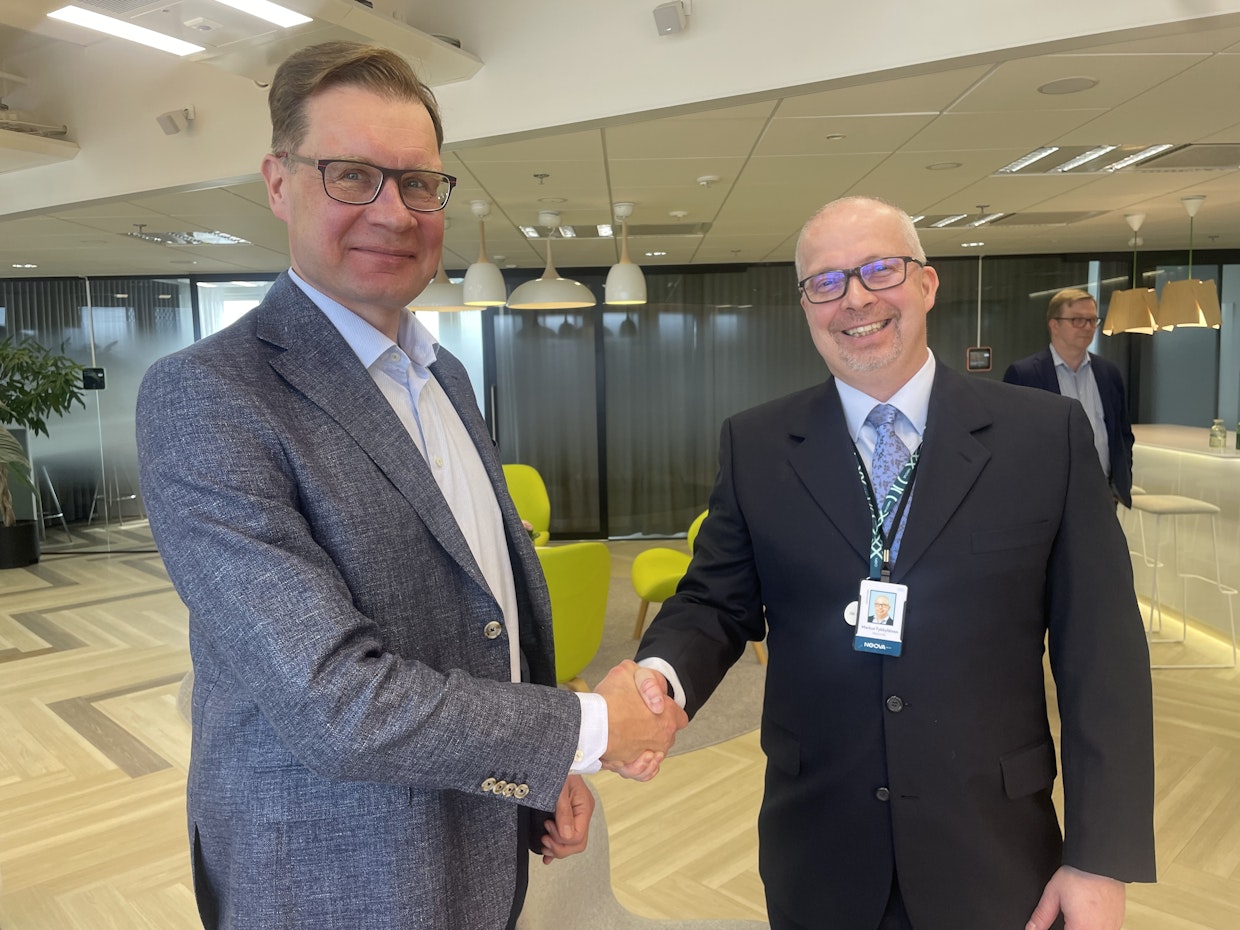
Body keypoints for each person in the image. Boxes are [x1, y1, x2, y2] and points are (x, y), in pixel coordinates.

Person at [136, 41, 683, 930]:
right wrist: (587, 730)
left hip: (478, 846)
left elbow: (484, 613)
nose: (393, 212)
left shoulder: (444, 377)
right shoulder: (209, 396)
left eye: (419, 183)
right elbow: (334, 701)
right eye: (352, 175)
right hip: (334, 879)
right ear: (278, 182)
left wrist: (540, 771)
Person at [630, 196, 1155, 930]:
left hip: (995, 851)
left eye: (880, 270)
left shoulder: (1044, 438)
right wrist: (658, 680)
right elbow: (714, 602)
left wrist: (1100, 858)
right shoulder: (758, 445)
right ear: (806, 306)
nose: (855, 299)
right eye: (827, 282)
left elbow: (1104, 658)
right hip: (820, 851)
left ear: (928, 284)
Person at [1003, 288, 1135, 508]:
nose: (1087, 327)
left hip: (1103, 494)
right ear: (1054, 325)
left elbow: (1122, 434)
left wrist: (1120, 483)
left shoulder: (1109, 373)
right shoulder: (1024, 374)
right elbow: (1012, 440)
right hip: (1047, 497)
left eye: (1092, 320)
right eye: (1077, 320)